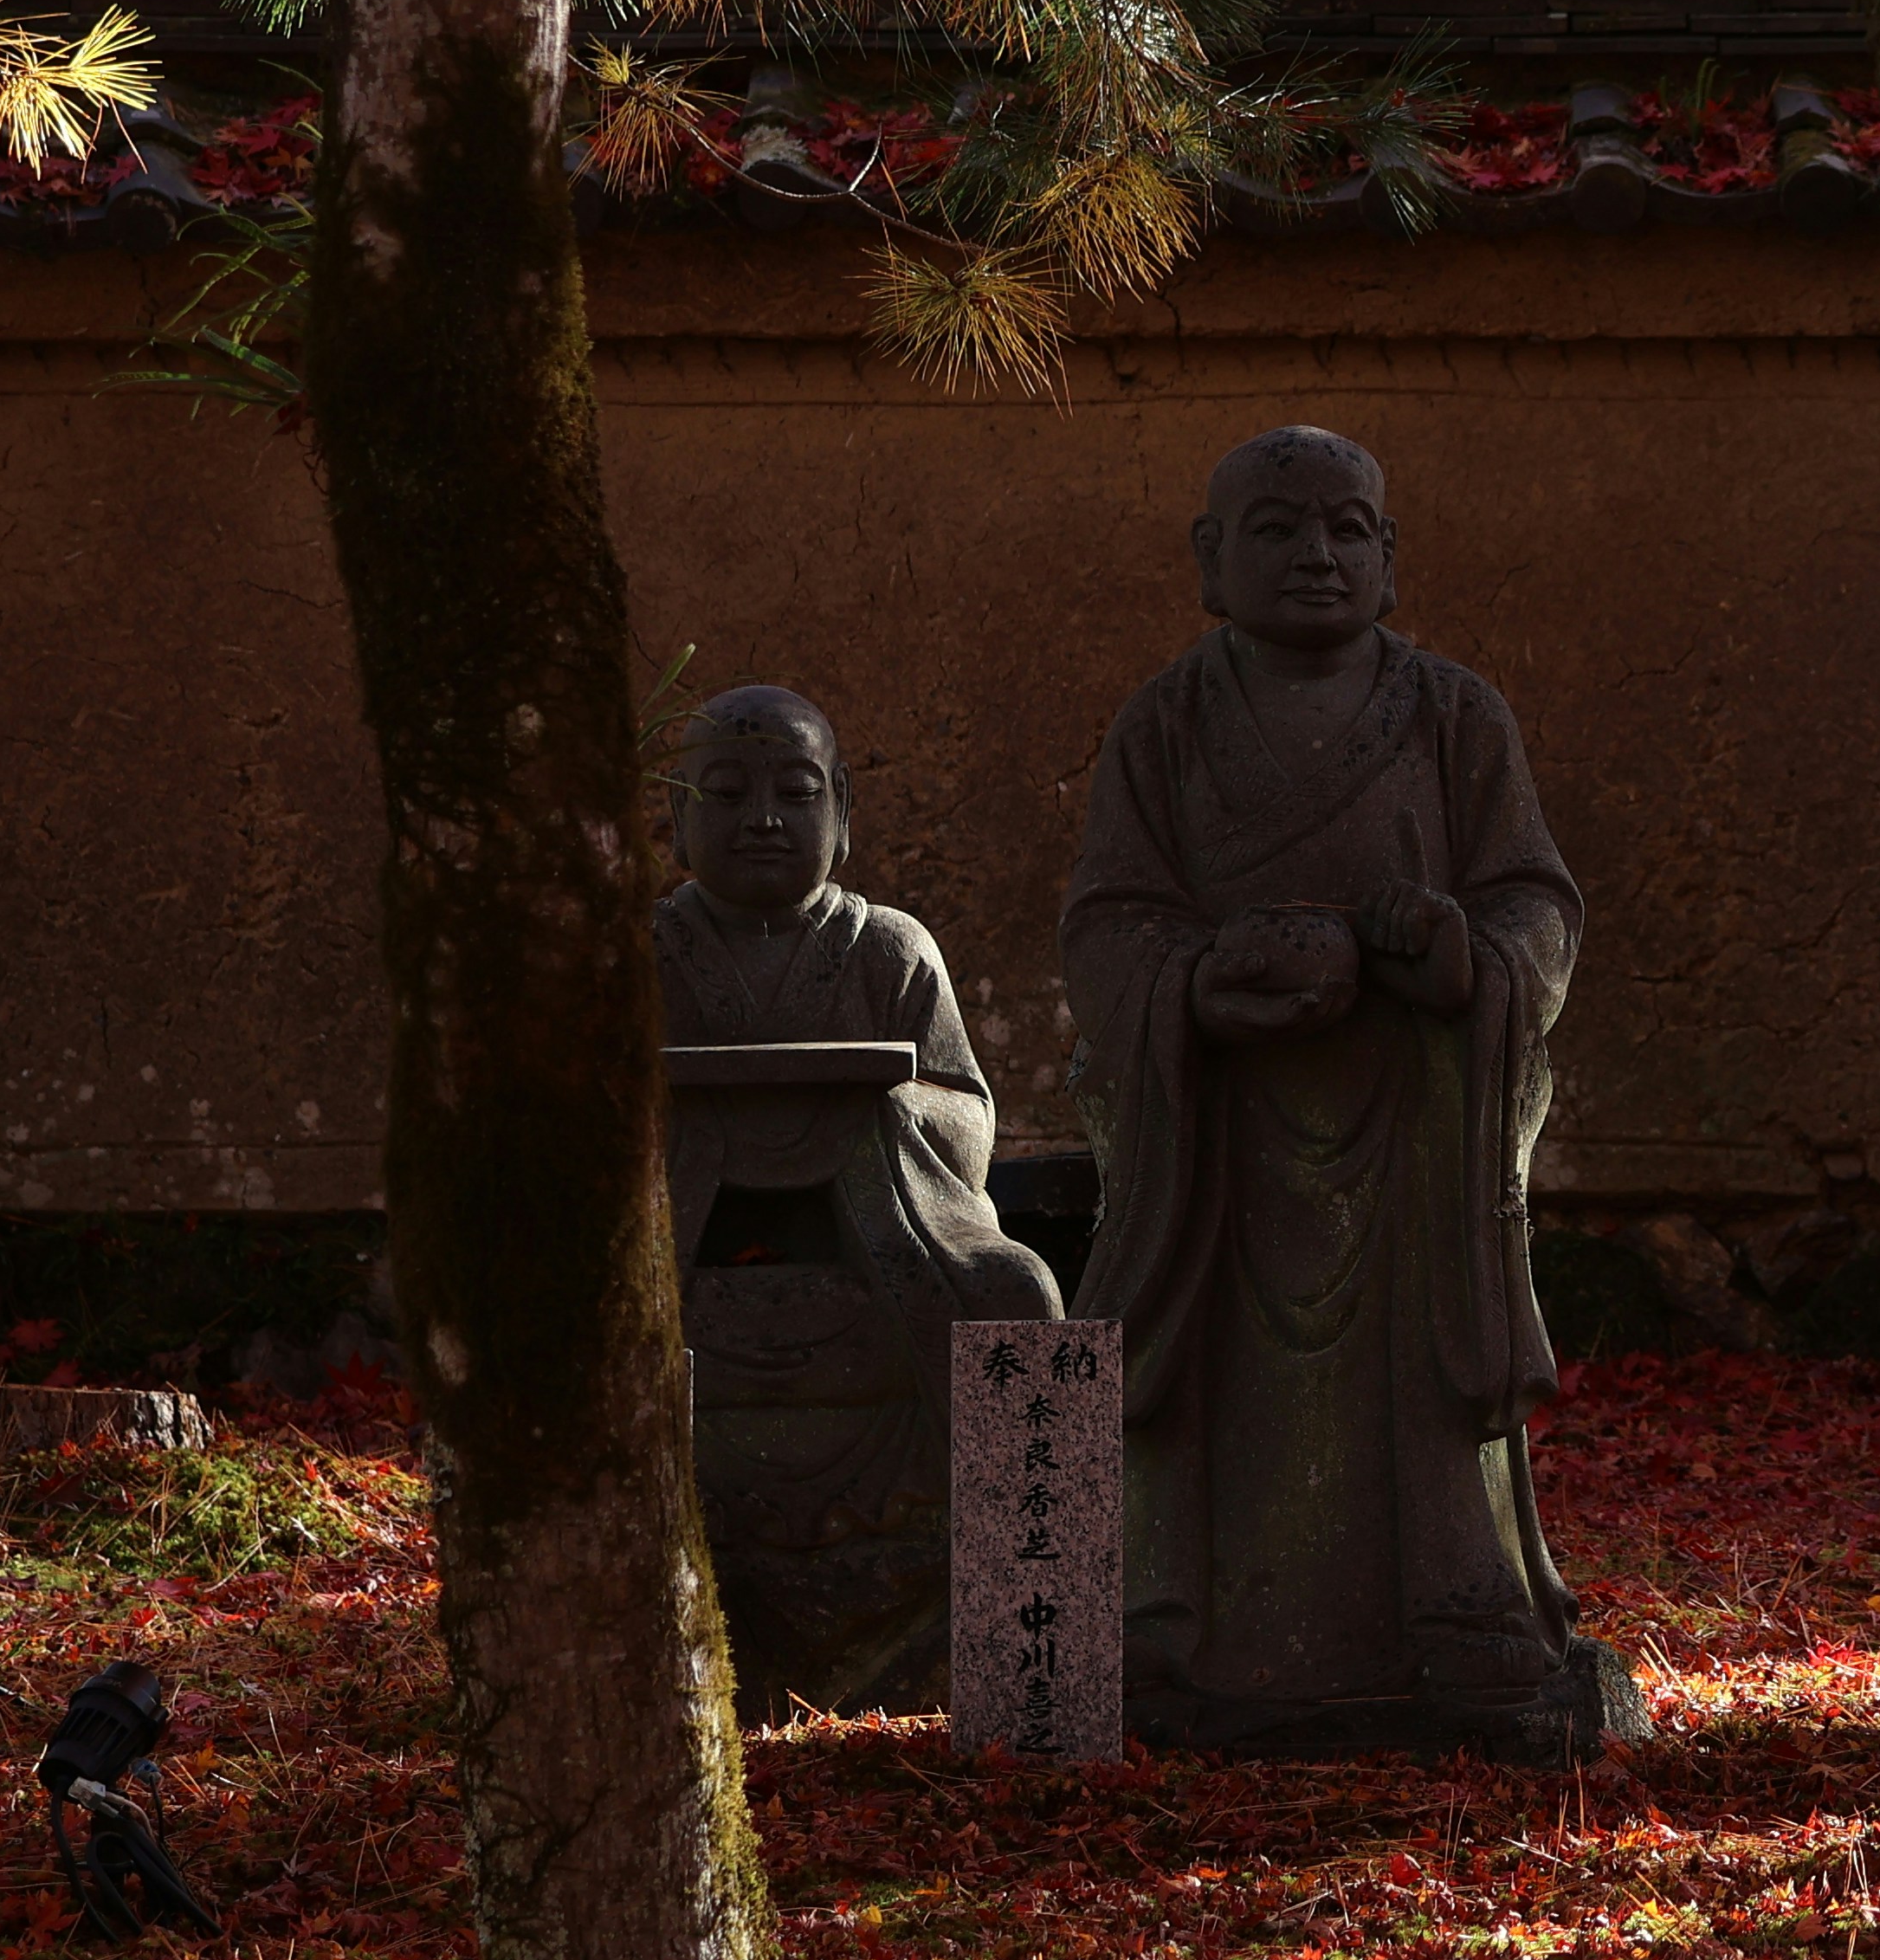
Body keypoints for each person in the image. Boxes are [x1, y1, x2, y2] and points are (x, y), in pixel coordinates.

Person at [1064, 425, 1631, 1754]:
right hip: (1223, 1142)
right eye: (1276, 528)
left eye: (1348, 530)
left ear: (1390, 557)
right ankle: (1180, 1625)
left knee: (1421, 1384)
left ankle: (1460, 1612)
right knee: (1215, 1386)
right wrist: (1202, 984)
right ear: (1211, 559)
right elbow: (1109, 922)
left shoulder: (1453, 717)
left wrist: (1455, 957)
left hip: (1416, 1130)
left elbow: (1536, 902)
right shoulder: (1165, 725)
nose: (1316, 554)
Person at [657, 682, 1055, 1717]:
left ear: (844, 812)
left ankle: (1037, 1666)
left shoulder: (890, 950)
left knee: (1023, 1294)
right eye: (727, 792)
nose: (762, 818)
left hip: (886, 1238)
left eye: (795, 791)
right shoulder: (644, 957)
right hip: (684, 1243)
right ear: (674, 819)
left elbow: (968, 1115)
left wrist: (871, 1110)